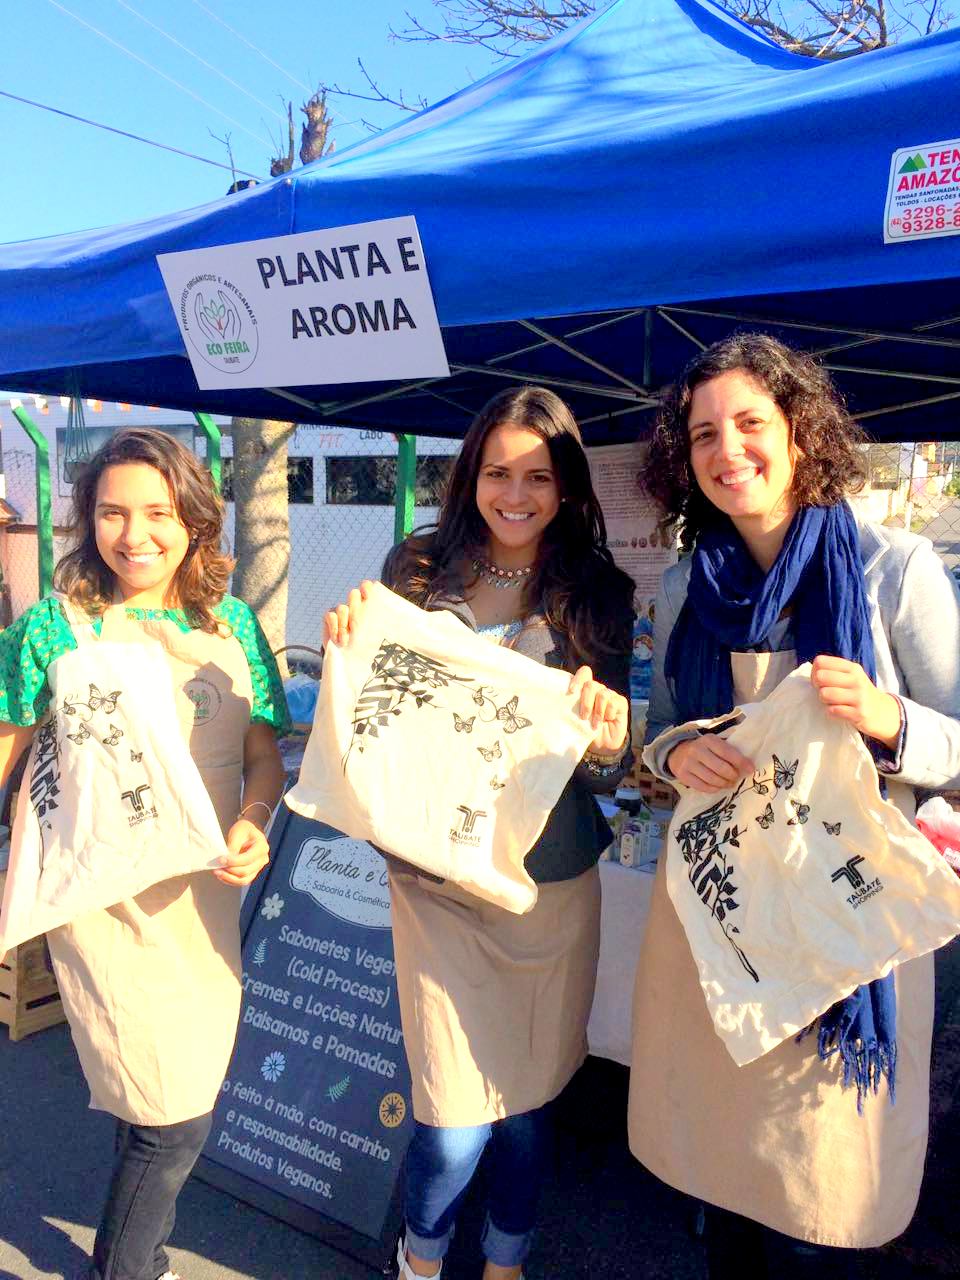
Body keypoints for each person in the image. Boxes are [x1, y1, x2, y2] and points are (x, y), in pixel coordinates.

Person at [631, 333, 960, 1278]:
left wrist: (894, 721)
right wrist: (679, 748)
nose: (726, 449)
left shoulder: (892, 570)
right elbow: (659, 732)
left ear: (802, 432)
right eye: (701, 434)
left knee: (818, 1189)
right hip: (726, 914)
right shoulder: (691, 582)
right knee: (730, 1174)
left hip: (843, 921)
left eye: (748, 423)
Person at [325, 386, 635, 1280]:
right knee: (453, 1117)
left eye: (538, 476)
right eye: (498, 471)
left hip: (548, 888)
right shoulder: (417, 567)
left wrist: (611, 738)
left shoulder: (597, 594)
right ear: (471, 474)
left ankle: (506, 1264)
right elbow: (379, 703)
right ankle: (419, 1263)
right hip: (435, 884)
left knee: (527, 1106)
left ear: (567, 488)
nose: (516, 493)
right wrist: (348, 640)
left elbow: (605, 766)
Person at [0, 428, 289, 1280]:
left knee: (166, 1096)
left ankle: (144, 1256)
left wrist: (257, 819)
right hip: (106, 901)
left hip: (204, 902)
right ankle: (126, 1270)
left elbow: (264, 753)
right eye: (112, 513)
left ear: (195, 519)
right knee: (173, 1118)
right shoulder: (53, 629)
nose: (136, 535)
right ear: (86, 521)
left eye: (159, 513)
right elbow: (10, 746)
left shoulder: (233, 622)